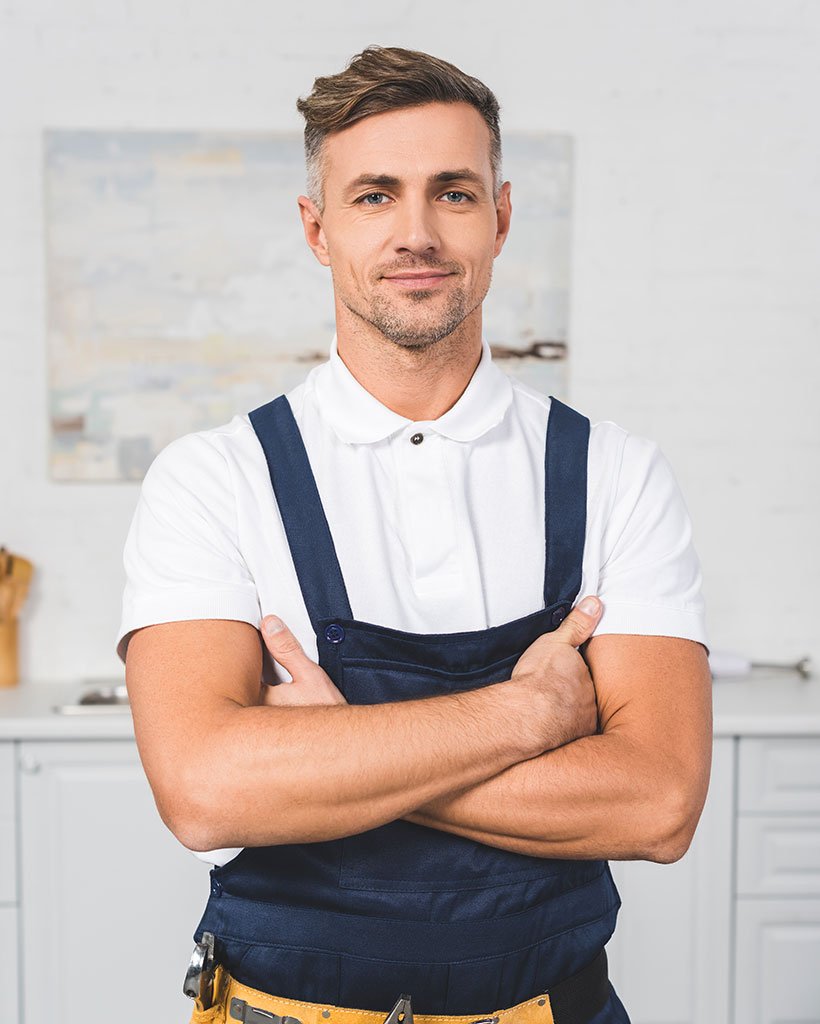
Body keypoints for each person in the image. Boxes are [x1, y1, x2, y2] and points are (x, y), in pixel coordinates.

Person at [118, 45, 712, 1024]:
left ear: (501, 217)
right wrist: (527, 717)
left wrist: (331, 750)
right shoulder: (214, 478)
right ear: (317, 229)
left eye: (454, 193)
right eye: (374, 196)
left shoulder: (615, 473)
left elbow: (658, 804)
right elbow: (205, 792)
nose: (418, 233)